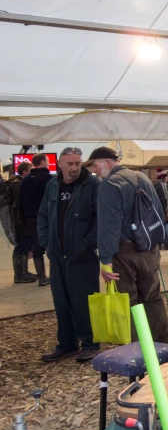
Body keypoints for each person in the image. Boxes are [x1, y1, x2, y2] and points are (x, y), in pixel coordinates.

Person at [85, 147, 168, 343]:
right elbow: (158, 211)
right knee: (152, 297)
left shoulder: (108, 186)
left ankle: (136, 350)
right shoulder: (141, 177)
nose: (94, 170)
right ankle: (164, 343)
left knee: (128, 301)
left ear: (108, 162)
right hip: (149, 248)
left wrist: (105, 261)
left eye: (95, 164)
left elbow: (108, 227)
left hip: (124, 252)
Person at [37, 147, 101, 362]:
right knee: (61, 301)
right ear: (60, 164)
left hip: (82, 257)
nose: (74, 167)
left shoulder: (92, 185)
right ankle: (67, 344)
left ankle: (90, 344)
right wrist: (47, 243)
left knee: (84, 301)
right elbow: (43, 217)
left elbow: (99, 220)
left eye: (77, 163)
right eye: (70, 163)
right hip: (57, 256)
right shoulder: (52, 185)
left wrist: (85, 245)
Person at [19, 153, 53, 286]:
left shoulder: (26, 179)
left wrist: (23, 218)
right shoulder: (49, 179)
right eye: (47, 161)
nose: (49, 163)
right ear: (42, 162)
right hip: (47, 217)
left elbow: (21, 201)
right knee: (51, 245)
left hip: (31, 218)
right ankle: (53, 275)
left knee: (36, 246)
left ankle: (41, 277)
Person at [8, 161, 37, 283]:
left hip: (23, 220)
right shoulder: (18, 185)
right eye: (31, 170)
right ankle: (19, 274)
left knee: (25, 246)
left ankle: (23, 271)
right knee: (21, 246)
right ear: (24, 172)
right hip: (21, 221)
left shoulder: (20, 184)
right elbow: (21, 203)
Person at [153, 171, 168, 249]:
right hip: (162, 211)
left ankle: (158, 245)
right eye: (166, 177)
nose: (167, 178)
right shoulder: (163, 185)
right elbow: (166, 199)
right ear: (163, 177)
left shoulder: (154, 185)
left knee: (158, 228)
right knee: (165, 228)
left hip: (156, 211)